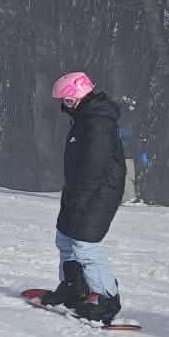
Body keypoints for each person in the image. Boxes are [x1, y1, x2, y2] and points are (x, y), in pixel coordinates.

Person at [43, 71, 125, 322]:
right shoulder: (85, 118)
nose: (64, 108)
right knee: (65, 237)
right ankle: (73, 287)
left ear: (79, 97)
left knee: (85, 244)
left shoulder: (98, 122)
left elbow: (95, 164)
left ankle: (106, 299)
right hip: (80, 190)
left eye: (67, 101)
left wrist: (82, 195)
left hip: (99, 192)